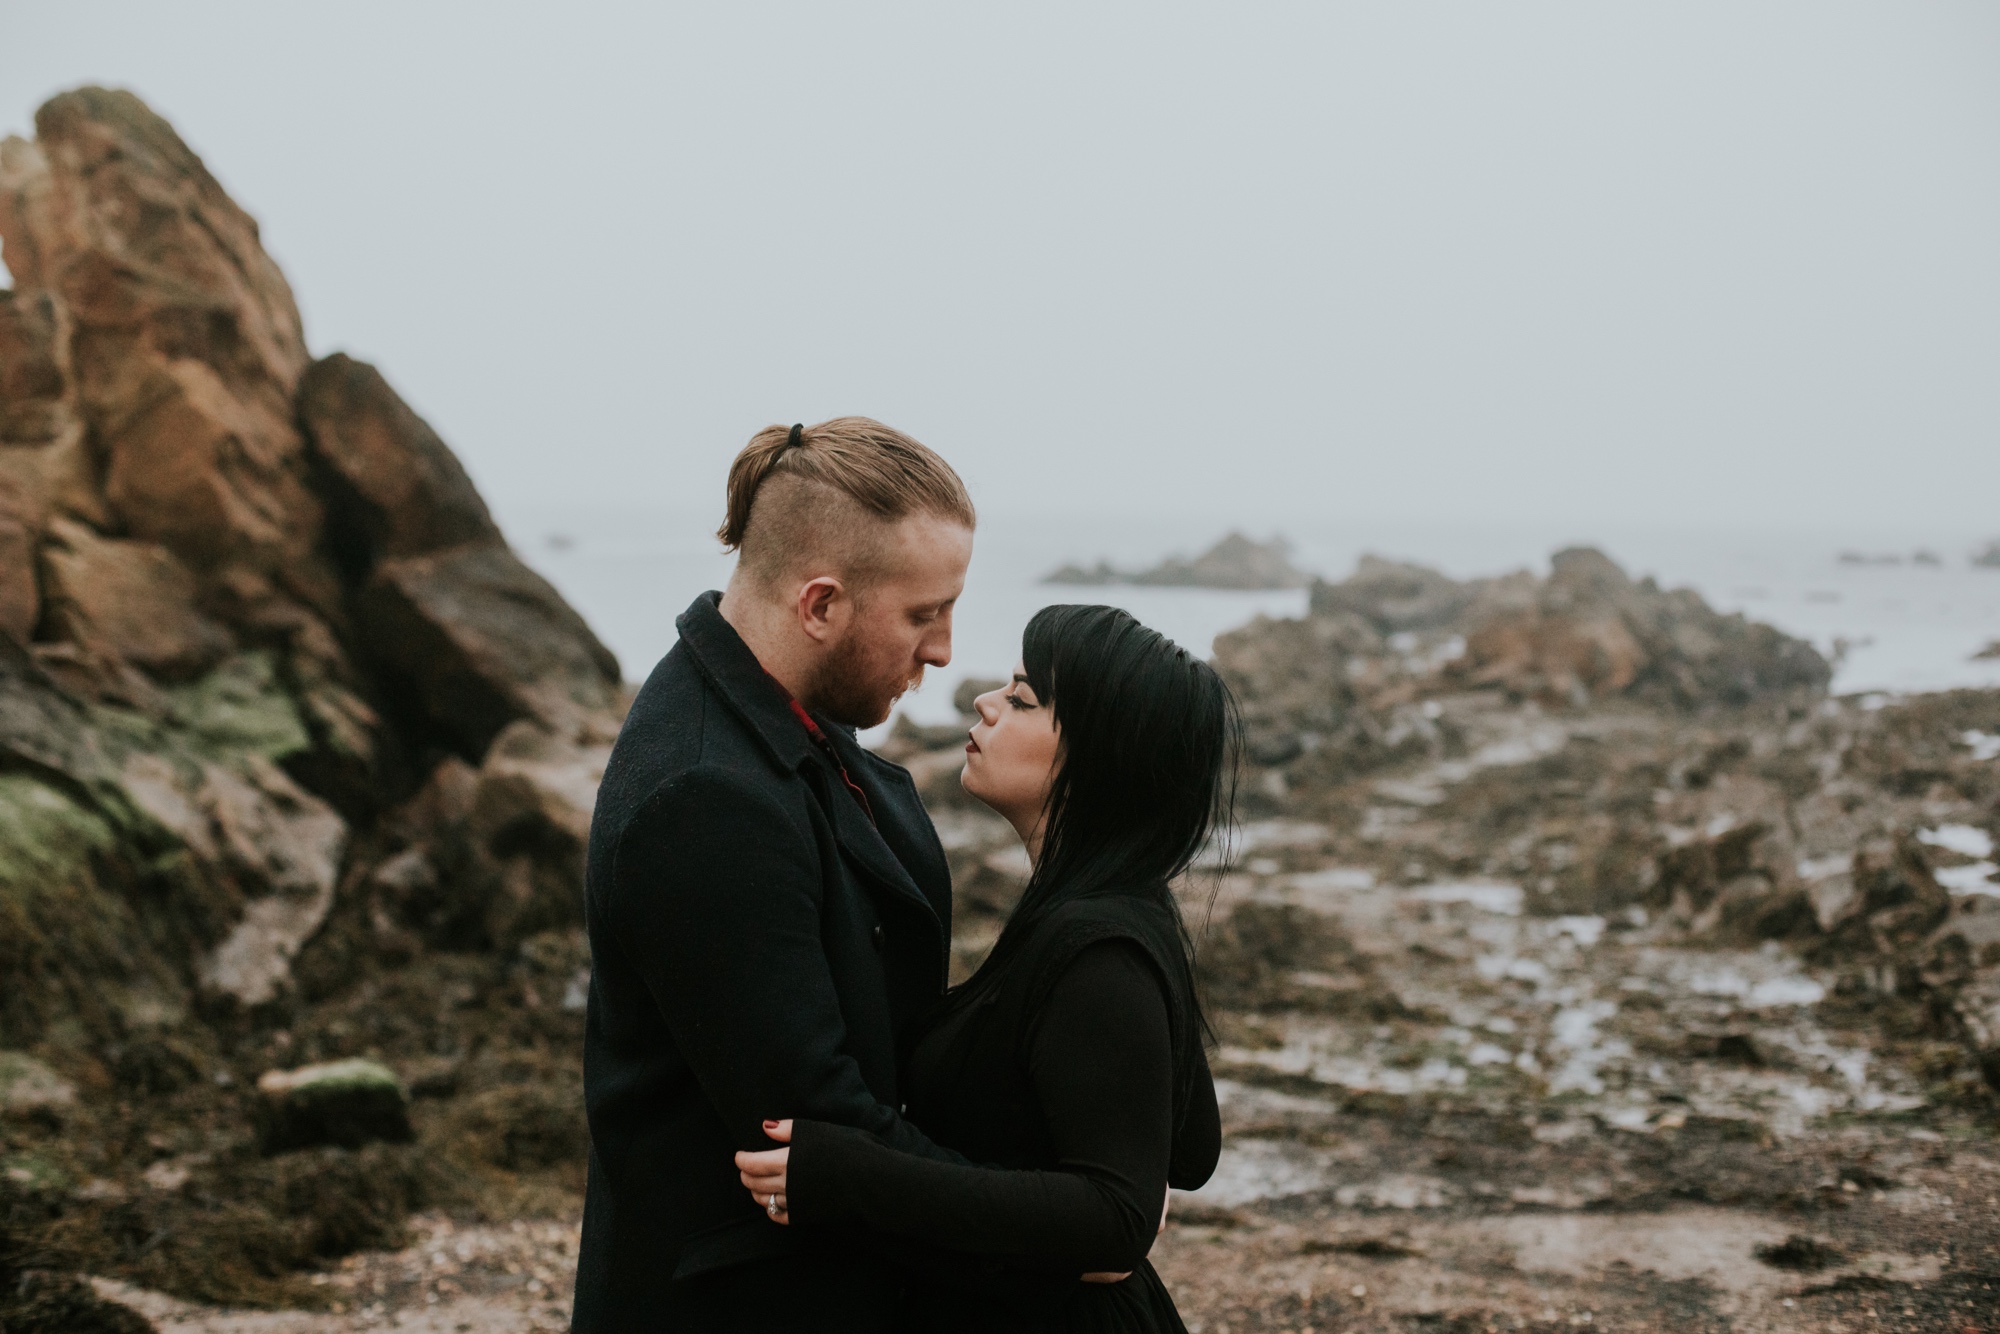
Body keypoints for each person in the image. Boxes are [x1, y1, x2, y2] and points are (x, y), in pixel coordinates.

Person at [571, 418, 980, 1332]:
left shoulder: (788, 717)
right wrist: (1059, 1226)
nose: (946, 650)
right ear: (820, 604)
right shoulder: (705, 799)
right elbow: (817, 1124)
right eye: (924, 614)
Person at [736, 604, 1232, 1333]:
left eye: (1023, 699)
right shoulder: (1116, 909)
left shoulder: (1099, 946)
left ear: (1097, 758)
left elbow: (1115, 1216)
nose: (985, 702)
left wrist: (853, 1176)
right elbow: (1186, 1149)